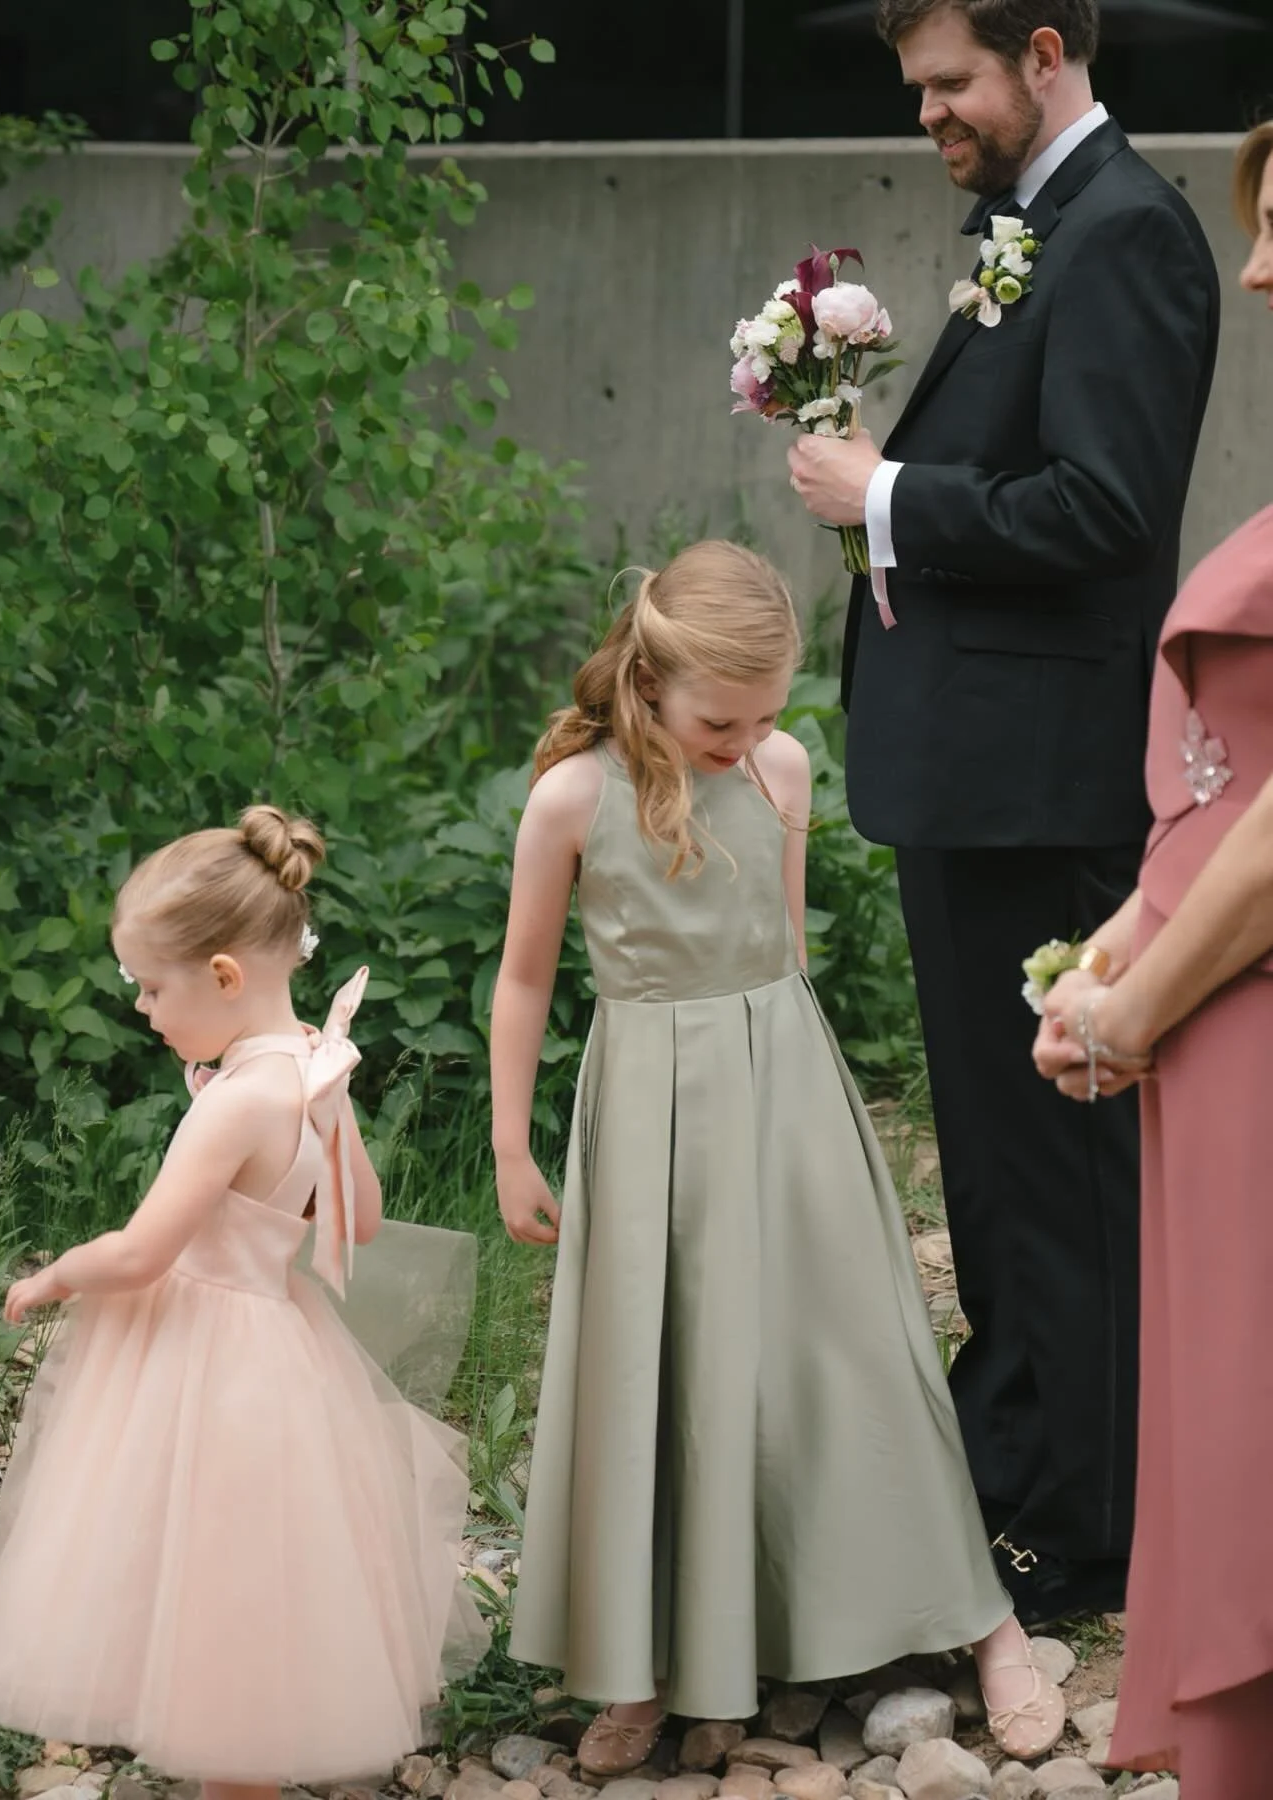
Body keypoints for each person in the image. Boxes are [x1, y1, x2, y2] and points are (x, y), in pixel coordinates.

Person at [786, 0, 1220, 1626]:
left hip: (1040, 788)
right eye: (918, 91)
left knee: (1054, 1167)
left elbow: (1106, 508)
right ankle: (1023, 1462)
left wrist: (885, 496)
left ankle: (1076, 1525)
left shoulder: (1129, 234)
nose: (930, 115)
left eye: (951, 82)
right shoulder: (1035, 224)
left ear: (1046, 50)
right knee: (992, 1160)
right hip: (979, 781)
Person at [490, 540, 1062, 1773]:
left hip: (785, 1087)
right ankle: (648, 1662)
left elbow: (785, 950)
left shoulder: (784, 768)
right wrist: (508, 1145)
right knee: (662, 1359)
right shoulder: (572, 798)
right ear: (648, 682)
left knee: (854, 1346)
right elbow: (527, 975)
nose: (745, 741)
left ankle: (981, 1620)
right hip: (647, 1099)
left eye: (764, 716)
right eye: (719, 719)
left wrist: (808, 1116)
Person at [0, 805, 485, 1796]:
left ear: (225, 976)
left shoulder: (240, 1100)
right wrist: (332, 1128)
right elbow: (361, 1221)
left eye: (151, 988)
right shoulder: (313, 1074)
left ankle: (231, 1768)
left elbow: (144, 1250)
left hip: (206, 1349)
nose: (146, 1011)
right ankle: (247, 1759)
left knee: (200, 1555)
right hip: (282, 1347)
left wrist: (60, 1272)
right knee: (259, 1570)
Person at [1031, 121, 1273, 1799]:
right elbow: (1227, 788)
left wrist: (1140, 1000)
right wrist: (1109, 947)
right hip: (1211, 1009)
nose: (1255, 267)